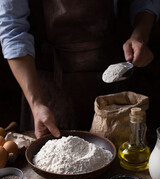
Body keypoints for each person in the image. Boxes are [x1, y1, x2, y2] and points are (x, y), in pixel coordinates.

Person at [0, 0, 159, 139]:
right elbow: (13, 29)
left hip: (112, 75)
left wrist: (140, 34)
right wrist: (37, 105)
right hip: (48, 85)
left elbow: (144, 1)